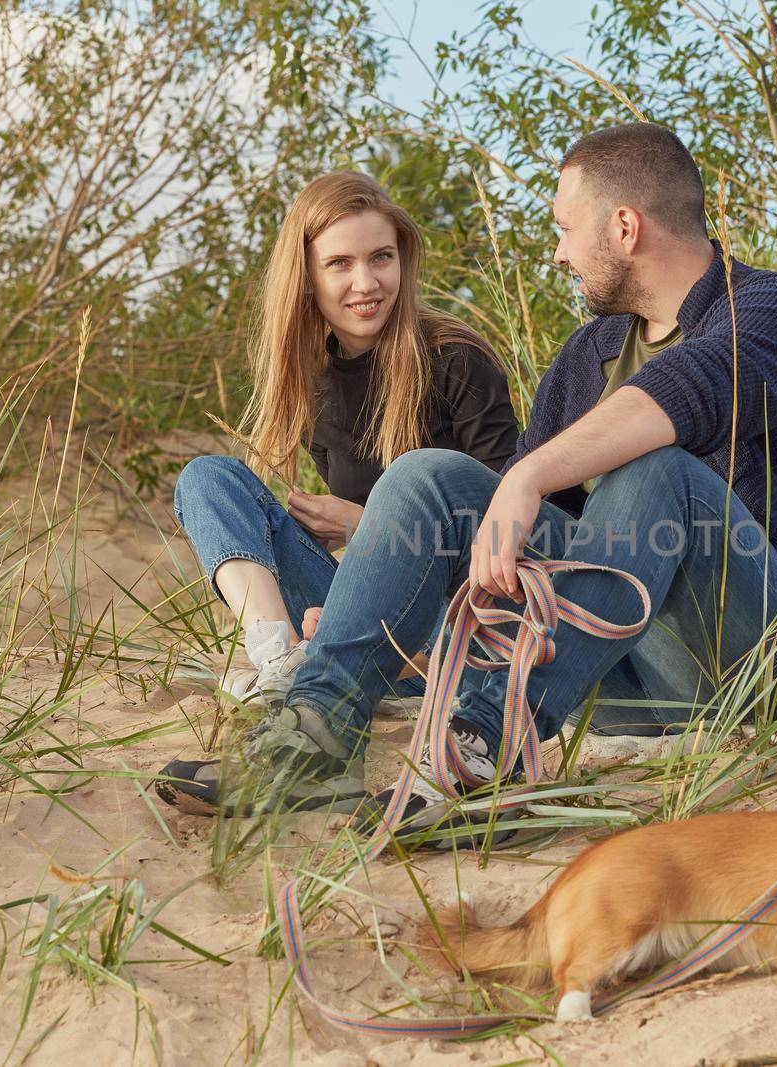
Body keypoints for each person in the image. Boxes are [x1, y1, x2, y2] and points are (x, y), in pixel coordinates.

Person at [159, 124, 777, 832]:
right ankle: (311, 733)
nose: (559, 252)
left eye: (566, 228)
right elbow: (524, 555)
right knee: (427, 477)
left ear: (624, 226)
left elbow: (690, 391)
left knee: (660, 471)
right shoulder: (586, 355)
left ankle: (483, 749)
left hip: (775, 666)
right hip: (625, 676)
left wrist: (526, 475)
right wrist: (402, 623)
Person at [158, 172, 520, 812]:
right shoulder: (310, 379)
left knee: (418, 516)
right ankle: (278, 666)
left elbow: (504, 538)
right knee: (207, 479)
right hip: (366, 607)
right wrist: (351, 590)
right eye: (340, 263)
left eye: (382, 258)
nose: (367, 283)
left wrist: (363, 526)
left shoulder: (457, 359)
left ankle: (349, 673)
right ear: (306, 275)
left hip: (454, 626)